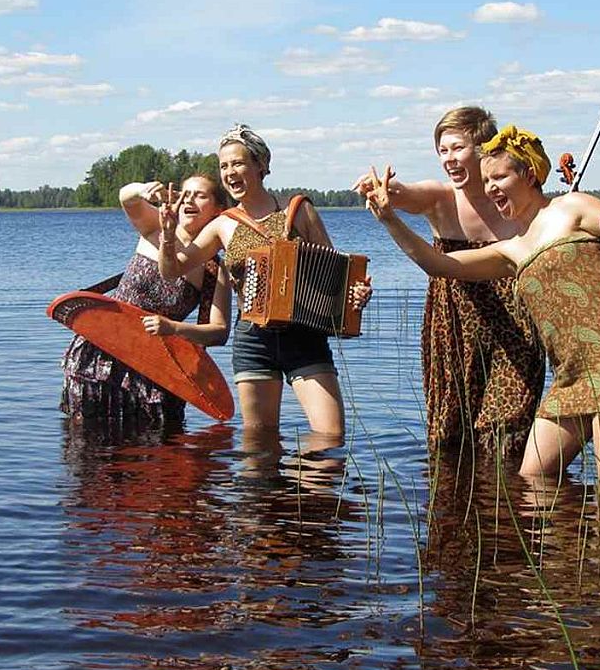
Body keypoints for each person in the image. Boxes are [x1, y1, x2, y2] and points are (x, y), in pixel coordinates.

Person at [363, 125, 600, 489]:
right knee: (533, 481)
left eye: (499, 176)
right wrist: (390, 220)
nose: (490, 188)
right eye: (486, 180)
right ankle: (565, 547)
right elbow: (441, 266)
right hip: (570, 376)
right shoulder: (514, 248)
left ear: (530, 174)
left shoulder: (572, 207)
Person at [158, 124, 370, 437]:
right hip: (253, 339)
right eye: (224, 166)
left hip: (305, 337)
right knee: (259, 445)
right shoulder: (223, 225)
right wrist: (166, 235)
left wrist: (356, 295)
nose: (230, 172)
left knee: (330, 437)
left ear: (261, 164)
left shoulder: (298, 209)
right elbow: (172, 270)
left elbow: (337, 274)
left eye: (238, 163)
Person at [353, 107, 544, 453]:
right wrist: (383, 189)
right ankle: (452, 505)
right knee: (450, 434)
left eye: (458, 148)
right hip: (453, 324)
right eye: (443, 151)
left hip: (516, 329)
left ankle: (504, 504)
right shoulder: (442, 198)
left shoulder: (513, 197)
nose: (449, 159)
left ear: (484, 149)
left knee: (508, 435)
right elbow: (406, 193)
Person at [60, 174, 232, 426]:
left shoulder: (215, 271)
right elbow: (126, 198)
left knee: (152, 451)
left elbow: (218, 333)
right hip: (100, 355)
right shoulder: (155, 227)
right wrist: (142, 190)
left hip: (154, 370)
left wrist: (173, 328)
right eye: (186, 193)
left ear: (219, 211)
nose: (189, 200)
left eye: (200, 195)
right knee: (86, 447)